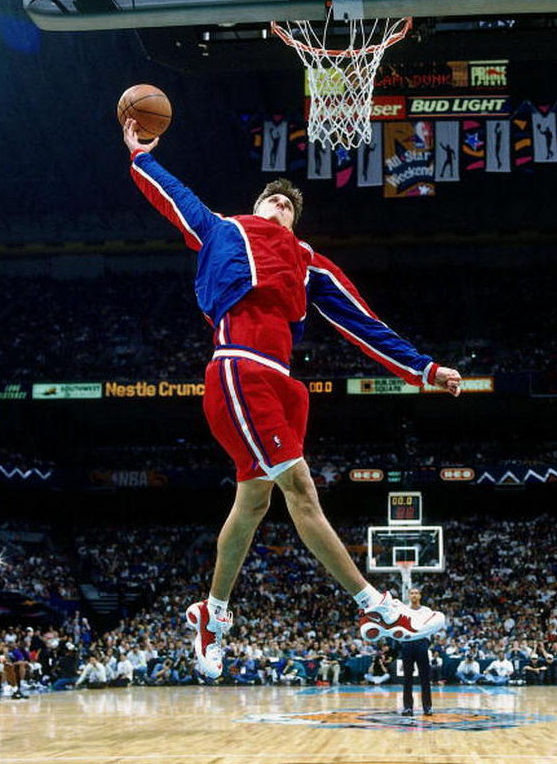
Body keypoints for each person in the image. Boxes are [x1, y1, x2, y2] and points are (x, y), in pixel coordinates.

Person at [122, 118, 461, 679]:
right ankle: (377, 609)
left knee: (253, 503)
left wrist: (424, 369)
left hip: (281, 382)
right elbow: (175, 201)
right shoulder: (225, 229)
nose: (280, 203)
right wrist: (142, 158)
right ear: (257, 207)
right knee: (300, 487)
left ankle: (213, 612)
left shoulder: (306, 259)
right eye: (272, 198)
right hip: (240, 368)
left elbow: (363, 323)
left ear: (295, 220)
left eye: (288, 203)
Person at [400, 588, 433, 715]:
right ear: (409, 596)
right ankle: (407, 707)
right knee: (407, 677)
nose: (414, 595)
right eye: (412, 593)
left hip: (421, 642)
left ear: (420, 596)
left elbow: (432, 626)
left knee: (425, 677)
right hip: (407, 643)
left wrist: (426, 641)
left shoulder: (427, 611)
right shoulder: (403, 610)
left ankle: (427, 707)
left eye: (416, 593)